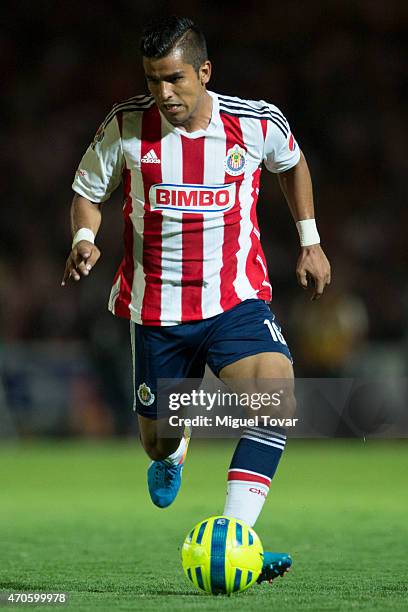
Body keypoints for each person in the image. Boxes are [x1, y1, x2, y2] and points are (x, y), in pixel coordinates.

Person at [62, 16, 331, 585]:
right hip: (156, 313)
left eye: (175, 79)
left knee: (274, 397)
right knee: (157, 442)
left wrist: (309, 240)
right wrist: (85, 238)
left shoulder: (254, 124)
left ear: (204, 72)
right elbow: (88, 193)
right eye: (153, 80)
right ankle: (174, 447)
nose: (163, 93)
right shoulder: (126, 126)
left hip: (236, 300)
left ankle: (238, 540)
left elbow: (292, 163)